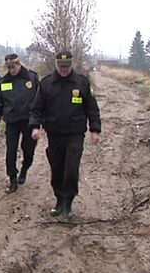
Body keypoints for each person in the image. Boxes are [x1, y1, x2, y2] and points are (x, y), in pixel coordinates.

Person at [30, 50, 101, 219]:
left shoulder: (81, 83)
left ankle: (68, 204)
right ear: (56, 65)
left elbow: (92, 108)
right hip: (54, 134)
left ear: (71, 64)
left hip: (75, 134)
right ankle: (59, 200)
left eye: (67, 66)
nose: (64, 69)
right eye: (61, 66)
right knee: (57, 169)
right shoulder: (47, 84)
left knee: (71, 169)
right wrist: (35, 127)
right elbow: (36, 108)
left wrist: (95, 129)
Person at [0, 54, 39, 194]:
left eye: (14, 67)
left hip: (28, 121)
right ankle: (12, 178)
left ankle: (24, 169)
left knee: (29, 150)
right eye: (9, 68)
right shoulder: (4, 82)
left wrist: (40, 121)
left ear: (19, 65)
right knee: (10, 151)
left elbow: (41, 100)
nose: (12, 70)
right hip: (12, 121)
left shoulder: (32, 78)